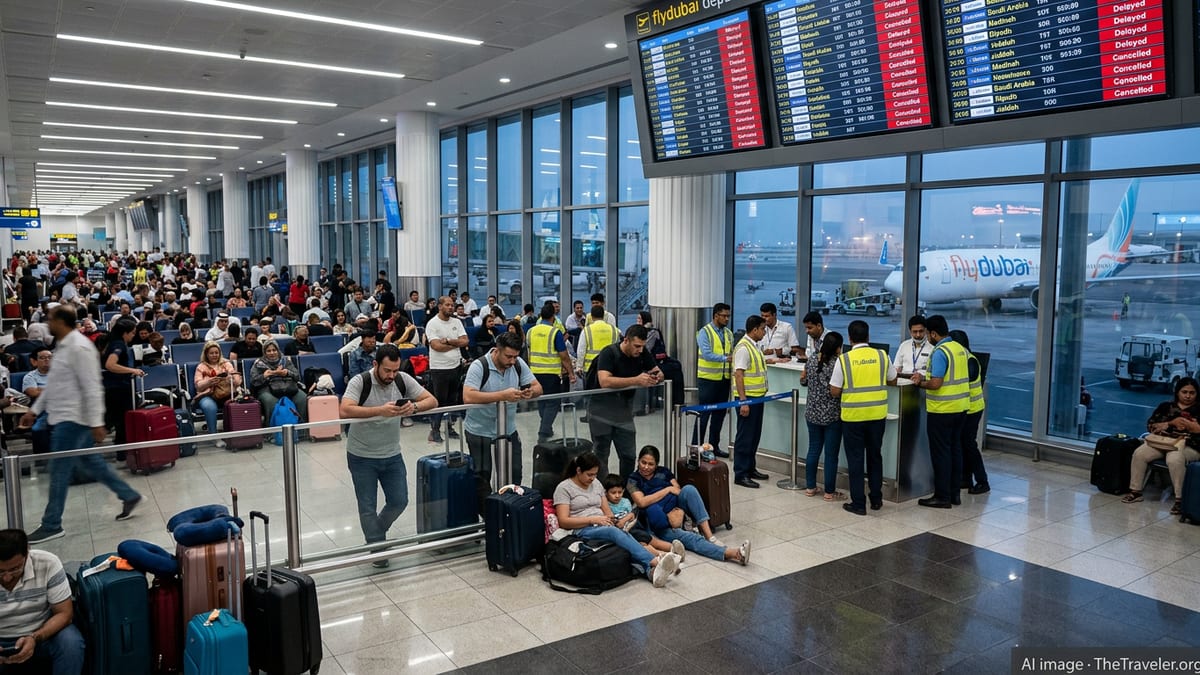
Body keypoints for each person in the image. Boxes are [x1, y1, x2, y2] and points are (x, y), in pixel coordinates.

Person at [23, 306, 142, 544]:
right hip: (64, 415)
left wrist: (97, 422)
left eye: (51, 319)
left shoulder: (79, 347)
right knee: (93, 462)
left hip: (74, 418)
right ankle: (129, 495)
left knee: (59, 470)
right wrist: (34, 410)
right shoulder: (63, 346)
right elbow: (55, 385)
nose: (48, 323)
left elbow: (92, 386)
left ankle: (52, 524)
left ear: (61, 321)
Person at [340, 343, 436, 568]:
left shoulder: (402, 379)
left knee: (399, 500)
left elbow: (432, 400)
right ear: (375, 365)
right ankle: (377, 547)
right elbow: (345, 409)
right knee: (367, 506)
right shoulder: (360, 381)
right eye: (387, 371)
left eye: (395, 370)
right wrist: (380, 410)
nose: (391, 375)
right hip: (361, 455)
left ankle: (375, 534)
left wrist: (413, 407)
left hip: (392, 454)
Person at [552, 452, 681, 588]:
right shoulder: (564, 488)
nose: (593, 478)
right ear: (578, 471)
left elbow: (607, 511)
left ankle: (651, 572)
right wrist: (592, 520)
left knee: (628, 535)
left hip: (603, 523)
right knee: (614, 534)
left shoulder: (596, 484)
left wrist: (617, 520)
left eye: (595, 474)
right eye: (589, 474)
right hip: (582, 528)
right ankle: (656, 561)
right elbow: (564, 521)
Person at [625, 446, 750, 564]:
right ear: (638, 461)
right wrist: (667, 490)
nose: (646, 467)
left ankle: (709, 535)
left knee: (689, 489)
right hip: (659, 523)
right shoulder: (633, 479)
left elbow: (678, 489)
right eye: (643, 462)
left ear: (656, 464)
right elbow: (642, 502)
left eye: (650, 464)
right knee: (691, 539)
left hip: (676, 508)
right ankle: (734, 554)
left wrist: (678, 510)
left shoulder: (663, 472)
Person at [462, 332, 541, 513]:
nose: (512, 361)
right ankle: (489, 519)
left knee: (514, 474)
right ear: (497, 351)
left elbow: (538, 387)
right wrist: (502, 396)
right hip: (479, 432)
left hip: (508, 430)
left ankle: (510, 514)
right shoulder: (478, 366)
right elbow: (468, 396)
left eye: (515, 356)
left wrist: (530, 392)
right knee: (482, 478)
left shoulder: (518, 364)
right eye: (508, 356)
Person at [830, 320, 896, 516]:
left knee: (856, 460)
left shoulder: (844, 359)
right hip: (877, 415)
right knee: (875, 456)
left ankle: (858, 504)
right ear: (868, 337)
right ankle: (876, 499)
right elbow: (892, 379)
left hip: (853, 417)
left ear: (850, 338)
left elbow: (834, 390)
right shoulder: (882, 356)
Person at [0, 529, 85, 673]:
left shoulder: (47, 563)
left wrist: (34, 637)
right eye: (1, 571)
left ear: (27, 553)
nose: (7, 577)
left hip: (41, 634)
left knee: (71, 643)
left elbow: (65, 614)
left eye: (15, 569)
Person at [909, 315, 971, 509]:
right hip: (961, 408)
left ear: (933, 333)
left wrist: (920, 383)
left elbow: (936, 383)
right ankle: (954, 494)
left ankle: (942, 496)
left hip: (943, 410)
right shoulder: (959, 349)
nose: (926, 337)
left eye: (927, 333)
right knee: (955, 451)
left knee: (941, 453)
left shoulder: (940, 352)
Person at [590, 325, 663, 478]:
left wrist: (656, 377)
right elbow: (605, 381)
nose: (640, 350)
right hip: (600, 413)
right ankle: (603, 491)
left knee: (629, 456)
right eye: (636, 346)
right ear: (626, 340)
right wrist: (636, 380)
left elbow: (658, 372)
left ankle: (627, 491)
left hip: (624, 413)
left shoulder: (642, 353)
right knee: (601, 456)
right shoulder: (608, 353)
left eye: (642, 346)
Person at [1123, 376, 1200, 515]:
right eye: (1184, 392)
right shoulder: (1166, 407)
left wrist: (1192, 427)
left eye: (1192, 393)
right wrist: (1171, 423)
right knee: (1140, 453)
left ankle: (1179, 499)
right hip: (1163, 442)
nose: (1188, 396)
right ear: (1177, 392)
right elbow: (1151, 426)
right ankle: (1136, 491)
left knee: (1174, 459)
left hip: (1189, 446)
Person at [802, 332, 845, 500]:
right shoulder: (838, 363)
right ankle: (829, 491)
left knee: (813, 450)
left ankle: (810, 487)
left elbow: (804, 381)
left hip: (812, 412)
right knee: (831, 454)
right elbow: (838, 389)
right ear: (837, 348)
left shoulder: (812, 359)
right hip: (832, 414)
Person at [527, 302, 576, 443]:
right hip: (551, 373)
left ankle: (546, 428)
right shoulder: (555, 332)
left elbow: (528, 351)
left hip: (534, 373)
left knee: (542, 402)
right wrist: (571, 374)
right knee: (553, 403)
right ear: (553, 317)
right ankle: (543, 431)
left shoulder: (531, 331)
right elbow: (564, 356)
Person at [731, 315, 770, 488]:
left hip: (757, 398)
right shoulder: (744, 348)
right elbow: (739, 375)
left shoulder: (754, 346)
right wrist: (743, 402)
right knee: (745, 437)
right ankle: (740, 473)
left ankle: (750, 468)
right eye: (763, 328)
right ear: (754, 329)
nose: (764, 332)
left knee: (754, 436)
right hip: (747, 399)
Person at [950, 329, 990, 495]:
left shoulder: (969, 361)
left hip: (972, 409)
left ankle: (982, 480)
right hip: (964, 407)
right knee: (961, 443)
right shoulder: (963, 358)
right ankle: (965, 478)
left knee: (968, 444)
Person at [425, 296, 468, 443]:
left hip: (455, 366)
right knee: (440, 400)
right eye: (448, 305)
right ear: (440, 306)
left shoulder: (457, 322)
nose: (451, 307)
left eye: (452, 305)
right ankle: (435, 430)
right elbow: (436, 346)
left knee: (452, 400)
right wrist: (457, 344)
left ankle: (449, 427)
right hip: (439, 368)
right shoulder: (433, 324)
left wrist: (449, 341)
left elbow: (465, 341)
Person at [694, 303, 734, 457]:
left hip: (723, 380)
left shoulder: (729, 334)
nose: (727, 319)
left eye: (728, 316)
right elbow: (707, 353)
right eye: (724, 316)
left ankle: (713, 446)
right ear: (716, 315)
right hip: (708, 380)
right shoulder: (705, 332)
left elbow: (732, 352)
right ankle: (696, 448)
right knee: (703, 416)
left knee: (719, 415)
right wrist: (726, 358)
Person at [102, 318, 144, 449]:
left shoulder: (113, 343)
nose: (133, 335)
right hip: (118, 389)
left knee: (117, 422)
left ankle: (122, 452)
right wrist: (133, 370)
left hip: (115, 387)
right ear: (124, 333)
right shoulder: (118, 345)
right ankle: (122, 451)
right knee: (121, 422)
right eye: (132, 333)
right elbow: (110, 364)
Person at [193, 341, 241, 446]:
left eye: (216, 352)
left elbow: (237, 381)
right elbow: (198, 385)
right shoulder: (201, 367)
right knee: (209, 407)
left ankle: (235, 432)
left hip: (226, 393)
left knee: (237, 403)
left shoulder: (226, 364)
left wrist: (231, 379)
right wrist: (209, 381)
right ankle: (214, 436)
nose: (214, 355)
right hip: (208, 395)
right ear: (206, 354)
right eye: (211, 353)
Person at [249, 340, 308, 425]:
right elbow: (253, 381)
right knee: (270, 401)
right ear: (264, 352)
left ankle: (301, 430)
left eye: (274, 350)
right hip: (267, 390)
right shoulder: (259, 364)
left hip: (288, 388)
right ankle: (272, 433)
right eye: (268, 351)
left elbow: (297, 376)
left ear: (278, 350)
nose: (272, 353)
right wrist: (264, 376)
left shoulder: (285, 361)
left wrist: (287, 373)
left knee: (302, 398)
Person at [573, 306, 619, 377]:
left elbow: (581, 350)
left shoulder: (587, 330)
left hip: (590, 368)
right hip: (610, 367)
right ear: (603, 315)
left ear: (591, 316)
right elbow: (618, 349)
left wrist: (579, 366)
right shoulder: (614, 330)